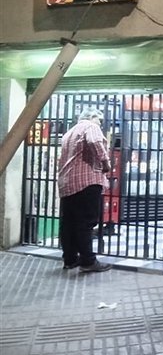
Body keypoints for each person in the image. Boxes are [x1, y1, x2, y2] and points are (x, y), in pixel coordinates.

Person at [57, 107, 113, 272]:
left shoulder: (69, 133)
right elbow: (95, 142)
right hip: (86, 182)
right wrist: (106, 163)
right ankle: (88, 261)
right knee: (86, 222)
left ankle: (70, 259)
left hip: (67, 183)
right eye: (99, 120)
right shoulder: (90, 126)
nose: (100, 124)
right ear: (92, 117)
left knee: (69, 223)